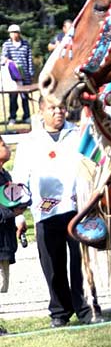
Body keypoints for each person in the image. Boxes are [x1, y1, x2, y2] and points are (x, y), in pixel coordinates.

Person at [13, 97, 99, 327]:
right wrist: (19, 215)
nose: (58, 112)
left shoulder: (79, 134)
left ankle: (87, 308)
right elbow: (19, 179)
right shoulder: (29, 142)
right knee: (52, 265)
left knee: (81, 263)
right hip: (45, 212)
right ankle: (60, 312)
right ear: (41, 112)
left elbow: (94, 164)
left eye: (61, 107)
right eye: (52, 108)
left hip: (77, 208)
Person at [0, 135, 28, 336]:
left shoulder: (6, 176)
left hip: (5, 239)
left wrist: (20, 211)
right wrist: (13, 212)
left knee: (2, 285)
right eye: (2, 144)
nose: (7, 147)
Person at [1, 24, 34, 125]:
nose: (14, 34)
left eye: (16, 32)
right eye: (12, 33)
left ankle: (27, 116)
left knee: (25, 97)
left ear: (19, 33)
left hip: (25, 75)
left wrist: (31, 72)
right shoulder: (7, 45)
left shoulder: (25, 44)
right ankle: (12, 117)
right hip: (13, 76)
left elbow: (29, 59)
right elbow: (3, 59)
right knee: (13, 98)